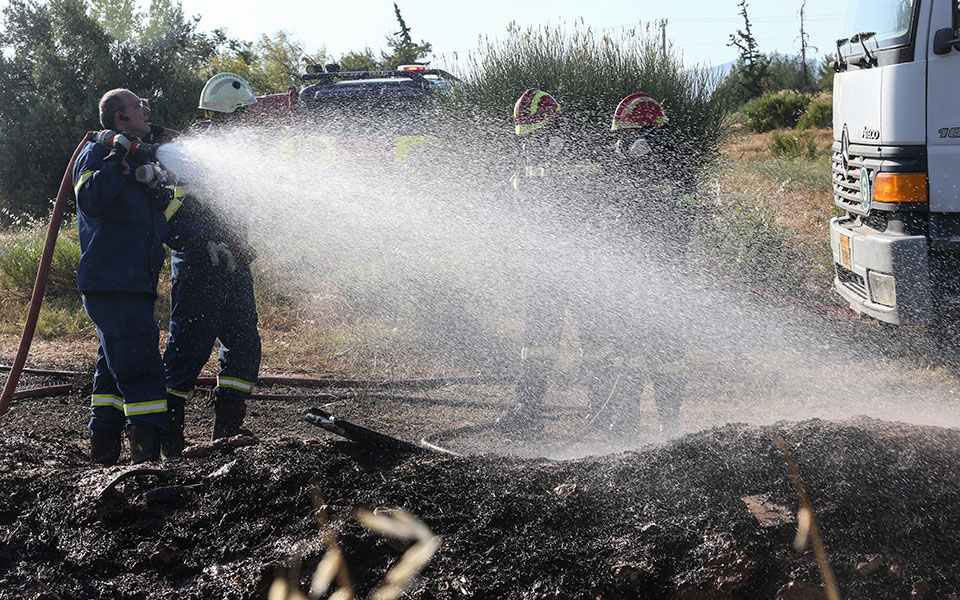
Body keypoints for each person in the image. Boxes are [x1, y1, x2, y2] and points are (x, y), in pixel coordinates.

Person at [73, 89, 178, 464]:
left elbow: (154, 222)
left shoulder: (139, 158)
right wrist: (116, 157)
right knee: (142, 367)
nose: (146, 110)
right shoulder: (98, 153)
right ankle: (146, 464)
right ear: (120, 117)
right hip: (112, 281)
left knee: (112, 369)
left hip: (132, 282)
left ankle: (102, 456)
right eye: (138, 106)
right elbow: (90, 200)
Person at [161, 73, 262, 458]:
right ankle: (170, 445)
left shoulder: (238, 153)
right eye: (243, 114)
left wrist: (238, 242)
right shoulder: (188, 156)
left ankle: (226, 437)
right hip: (198, 266)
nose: (249, 121)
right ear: (226, 115)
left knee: (244, 345)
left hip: (233, 264)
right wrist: (206, 240)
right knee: (188, 349)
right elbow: (171, 214)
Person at [599, 92, 697, 436]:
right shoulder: (626, 165)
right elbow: (610, 209)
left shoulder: (672, 164)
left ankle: (669, 424)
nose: (623, 142)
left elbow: (682, 218)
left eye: (628, 134)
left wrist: (651, 233)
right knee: (626, 350)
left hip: (663, 276)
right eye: (621, 136)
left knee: (667, 351)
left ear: (648, 132)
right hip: (628, 275)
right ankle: (626, 422)